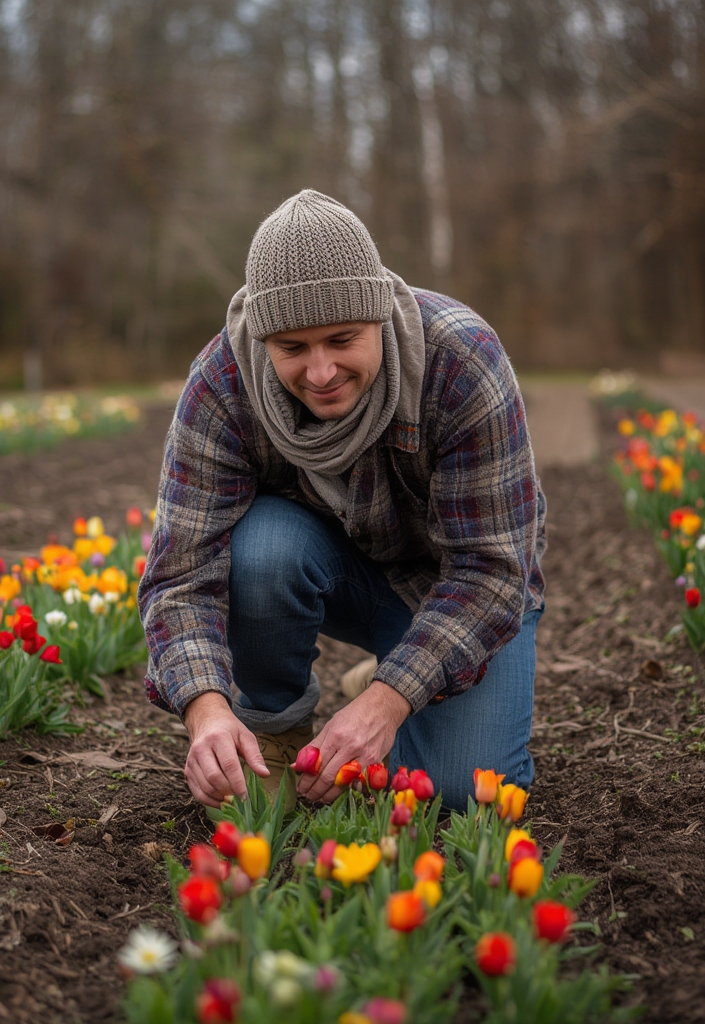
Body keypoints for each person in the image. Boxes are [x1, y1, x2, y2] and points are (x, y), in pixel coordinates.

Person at [138, 189, 546, 812]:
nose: (321, 372)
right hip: (331, 572)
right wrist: (206, 710)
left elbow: (492, 574)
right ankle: (273, 733)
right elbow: (180, 572)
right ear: (261, 337)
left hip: (459, 591)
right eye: (292, 349)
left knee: (464, 795)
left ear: (379, 316)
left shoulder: (460, 362)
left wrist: (387, 700)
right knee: (264, 546)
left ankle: (387, 682)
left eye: (341, 338)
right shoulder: (223, 384)